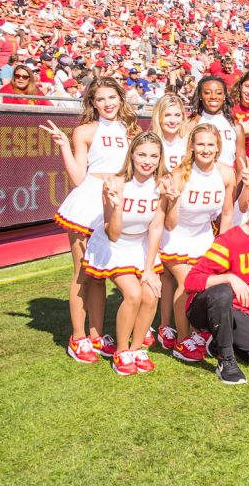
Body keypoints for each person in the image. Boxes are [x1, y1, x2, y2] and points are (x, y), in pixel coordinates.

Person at [42, 78, 139, 363]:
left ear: (121, 99)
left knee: (100, 274)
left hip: (118, 199)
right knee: (83, 273)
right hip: (88, 203)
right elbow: (78, 178)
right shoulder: (84, 131)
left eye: (112, 97)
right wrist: (63, 146)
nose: (108, 104)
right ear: (92, 103)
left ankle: (96, 336)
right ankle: (78, 337)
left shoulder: (131, 131)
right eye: (101, 99)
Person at [81, 132, 167, 375]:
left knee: (151, 295)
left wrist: (149, 269)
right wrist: (117, 206)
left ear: (160, 158)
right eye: (141, 154)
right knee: (133, 293)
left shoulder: (161, 184)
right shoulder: (115, 183)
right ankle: (121, 351)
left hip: (140, 246)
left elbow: (156, 226)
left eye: (153, 155)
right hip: (113, 245)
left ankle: (137, 347)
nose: (147, 161)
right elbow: (112, 233)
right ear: (131, 154)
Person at [183, 182, 249, 384]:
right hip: (205, 309)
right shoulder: (229, 240)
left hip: (238, 313)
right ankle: (225, 360)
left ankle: (217, 341)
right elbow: (190, 281)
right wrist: (229, 277)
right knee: (223, 291)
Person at [158, 124, 236, 359]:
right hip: (175, 237)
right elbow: (169, 223)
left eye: (210, 144)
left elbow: (228, 212)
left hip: (204, 237)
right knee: (188, 282)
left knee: (207, 284)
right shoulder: (180, 174)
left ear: (218, 147)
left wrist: (221, 245)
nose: (205, 149)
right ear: (191, 146)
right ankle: (183, 341)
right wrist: (172, 202)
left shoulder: (226, 173)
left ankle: (197, 330)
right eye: (200, 144)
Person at [188, 76, 246, 169]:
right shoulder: (191, 124)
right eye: (207, 93)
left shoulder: (236, 127)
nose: (213, 97)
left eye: (219, 93)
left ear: (224, 96)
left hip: (228, 181)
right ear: (200, 96)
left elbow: (241, 167)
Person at [151, 93, 187, 171]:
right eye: (167, 115)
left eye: (177, 115)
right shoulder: (149, 144)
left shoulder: (189, 143)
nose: (172, 121)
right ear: (158, 116)